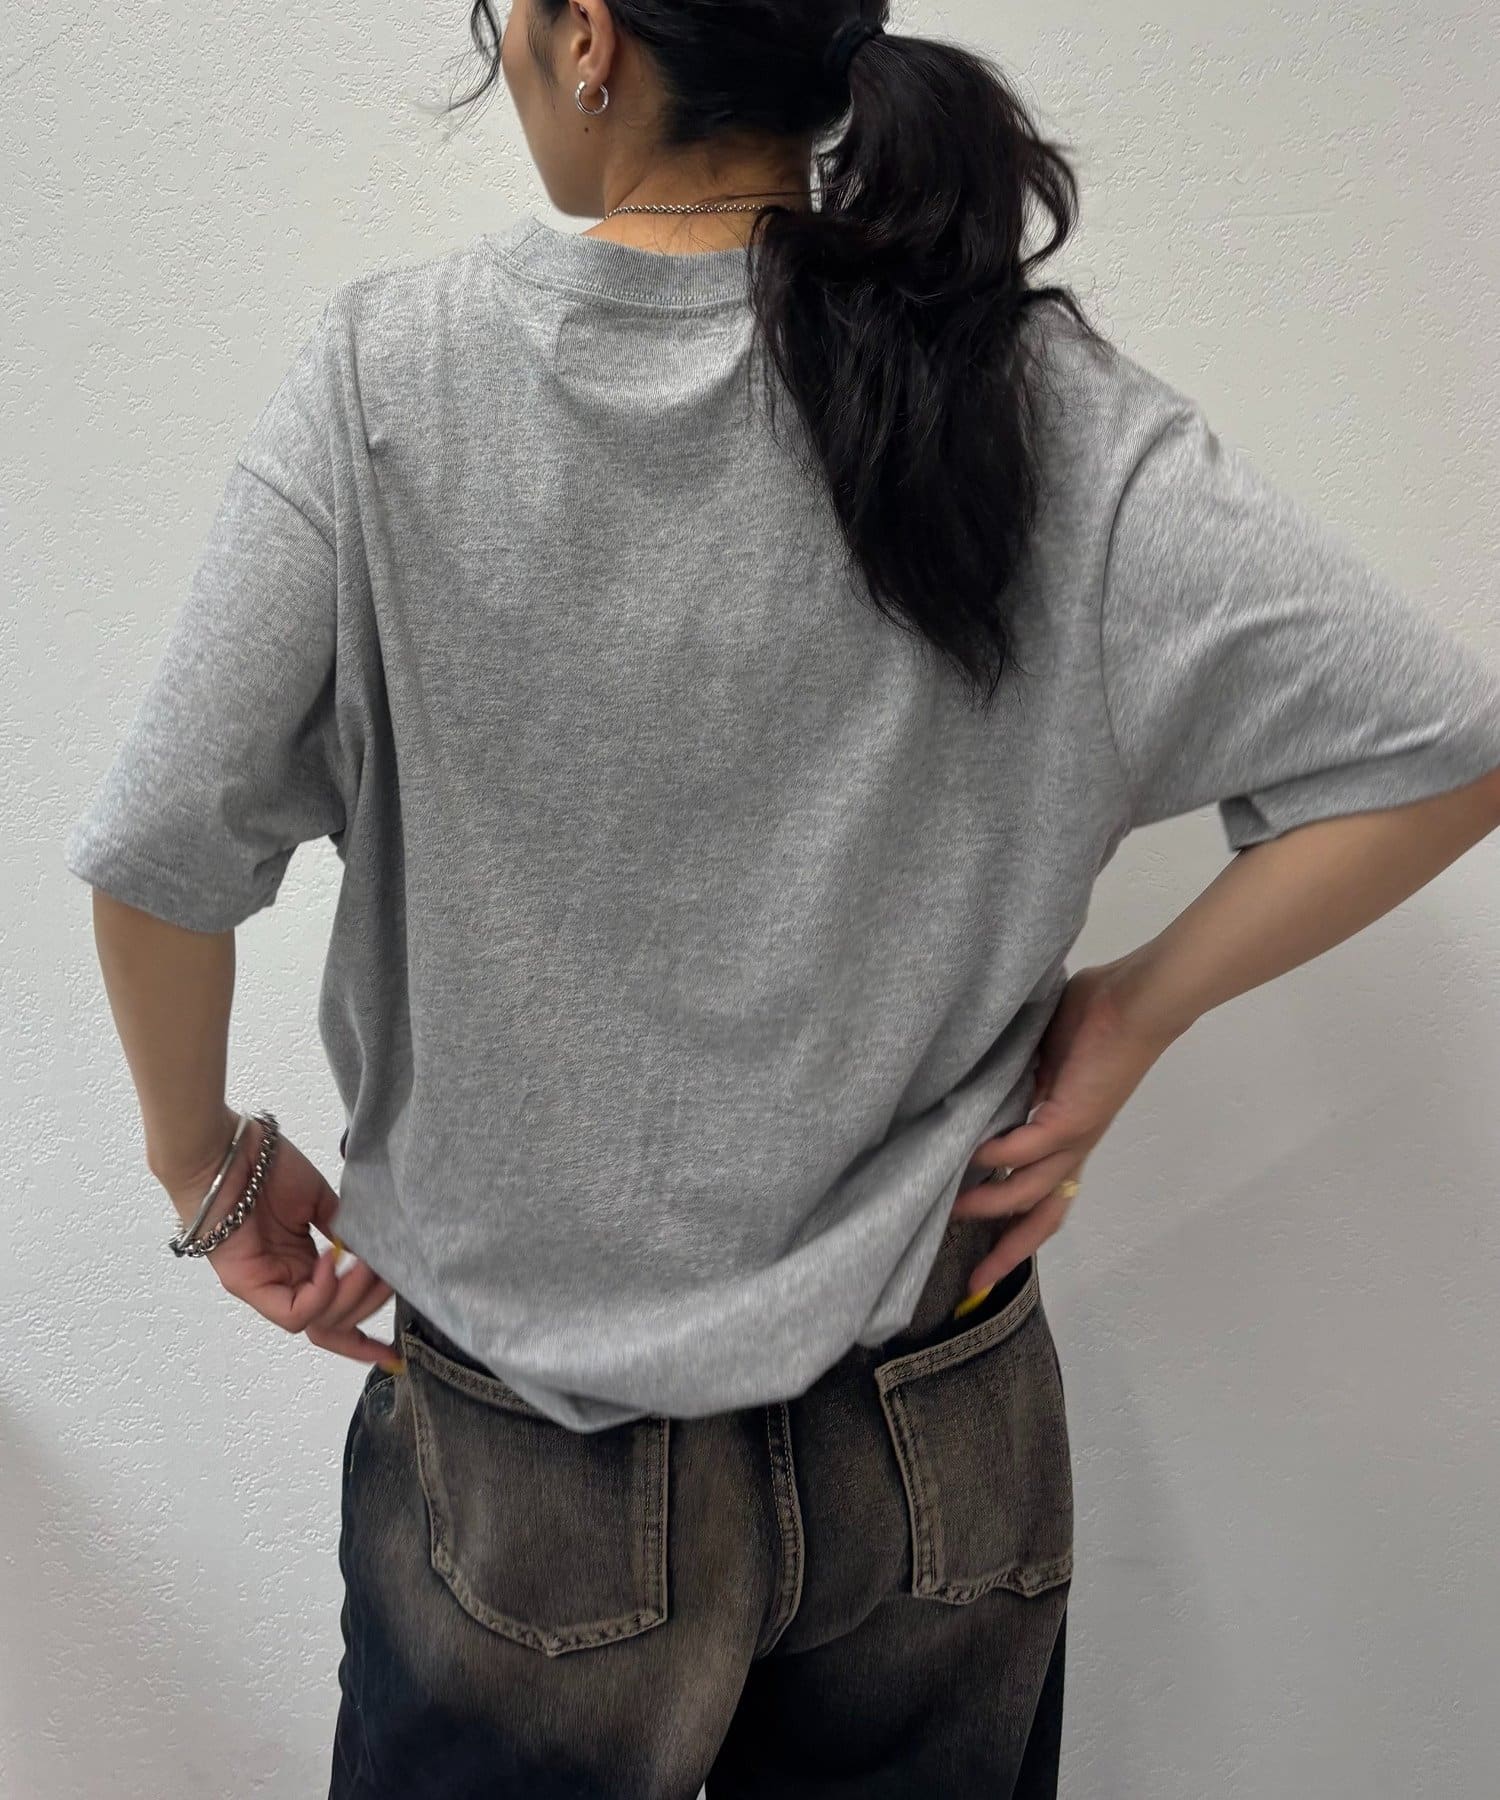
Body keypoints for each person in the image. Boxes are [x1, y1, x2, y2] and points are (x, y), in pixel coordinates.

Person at [63, 2, 1500, 1795]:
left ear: (591, 37)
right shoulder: (1023, 388)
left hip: (535, 1466)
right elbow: (1443, 746)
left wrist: (204, 1164)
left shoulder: (387, 382)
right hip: (936, 1428)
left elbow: (161, 850)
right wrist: (1130, 1017)